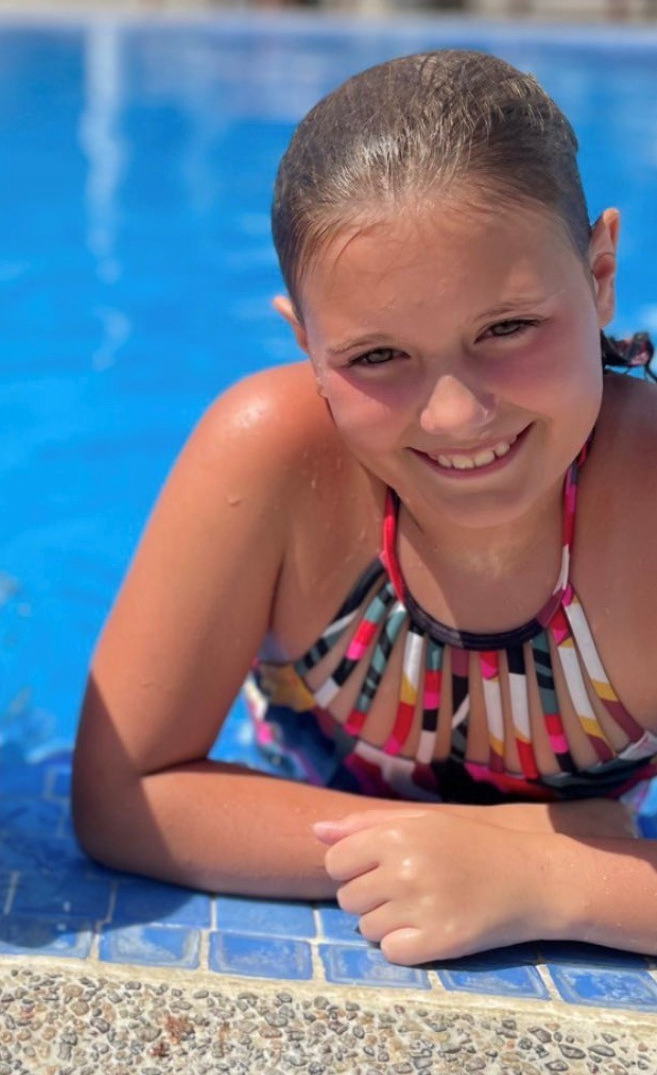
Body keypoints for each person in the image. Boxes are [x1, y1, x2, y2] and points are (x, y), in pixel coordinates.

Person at [74, 48, 657, 966]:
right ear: (305, 342)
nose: (455, 414)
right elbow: (125, 793)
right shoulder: (269, 459)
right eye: (377, 357)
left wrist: (552, 880)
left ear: (599, 273)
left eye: (507, 327)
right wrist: (483, 845)